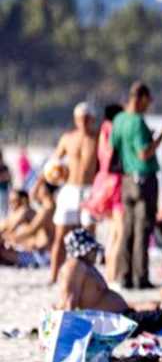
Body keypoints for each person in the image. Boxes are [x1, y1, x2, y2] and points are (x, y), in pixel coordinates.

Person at [110, 81, 162, 289]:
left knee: (127, 229)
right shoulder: (137, 122)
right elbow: (144, 153)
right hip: (144, 179)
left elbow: (115, 147)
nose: (148, 106)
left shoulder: (119, 119)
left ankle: (125, 275)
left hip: (127, 179)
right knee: (143, 230)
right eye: (147, 101)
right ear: (139, 98)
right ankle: (140, 277)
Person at [48, 102, 100, 284]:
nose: (83, 122)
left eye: (87, 118)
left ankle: (89, 276)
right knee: (60, 234)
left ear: (92, 119)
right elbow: (53, 162)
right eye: (80, 118)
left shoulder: (98, 138)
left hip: (90, 189)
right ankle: (53, 276)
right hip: (70, 188)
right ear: (75, 119)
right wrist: (44, 182)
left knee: (89, 233)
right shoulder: (67, 138)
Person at [85, 104, 125, 281]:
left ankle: (111, 273)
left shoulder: (102, 130)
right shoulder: (113, 130)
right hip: (115, 181)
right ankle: (112, 275)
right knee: (119, 232)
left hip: (103, 180)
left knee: (112, 233)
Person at [0, 189, 53, 268]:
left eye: (14, 201)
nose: (11, 204)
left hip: (41, 255)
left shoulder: (26, 211)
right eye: (9, 201)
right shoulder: (30, 212)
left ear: (23, 200)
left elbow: (8, 228)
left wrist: (8, 238)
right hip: (39, 253)